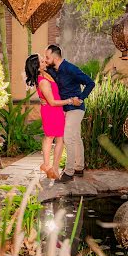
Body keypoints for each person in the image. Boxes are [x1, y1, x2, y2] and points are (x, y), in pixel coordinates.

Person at [45, 44, 95, 182]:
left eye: (47, 57)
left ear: (55, 57)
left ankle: (69, 172)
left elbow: (90, 83)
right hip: (66, 109)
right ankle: (79, 167)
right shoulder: (54, 70)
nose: (46, 60)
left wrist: (81, 98)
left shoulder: (70, 68)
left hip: (76, 109)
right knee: (76, 137)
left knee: (68, 138)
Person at [25, 54, 76, 180]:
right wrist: (70, 101)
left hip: (55, 110)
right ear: (37, 67)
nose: (45, 62)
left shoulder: (46, 74)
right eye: (42, 61)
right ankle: (50, 167)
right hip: (52, 110)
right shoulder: (42, 81)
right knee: (54, 138)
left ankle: (50, 166)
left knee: (54, 138)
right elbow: (52, 102)